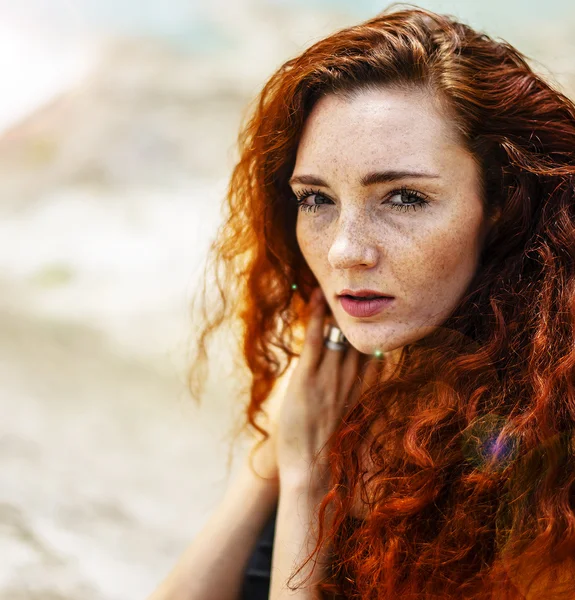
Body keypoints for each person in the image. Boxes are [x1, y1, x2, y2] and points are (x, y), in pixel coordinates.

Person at [147, 4, 575, 599]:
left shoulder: (547, 458)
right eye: (316, 199)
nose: (346, 251)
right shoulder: (330, 380)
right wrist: (282, 457)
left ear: (500, 202)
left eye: (403, 198)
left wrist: (305, 485)